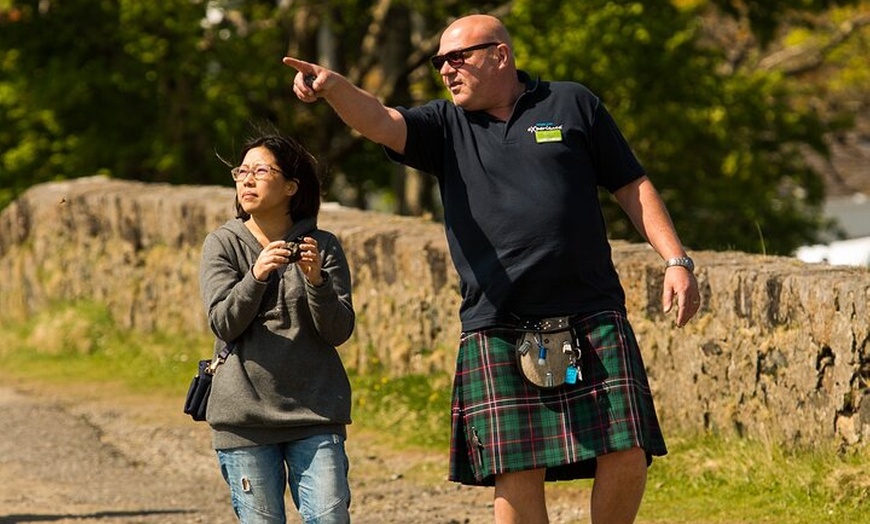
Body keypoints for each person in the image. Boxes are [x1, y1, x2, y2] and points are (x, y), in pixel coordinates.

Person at [284, 13, 700, 524]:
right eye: (439, 62)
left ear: (499, 55)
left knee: (626, 449)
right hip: (499, 322)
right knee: (517, 466)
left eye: (456, 58)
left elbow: (632, 185)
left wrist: (676, 260)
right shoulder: (444, 125)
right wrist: (333, 88)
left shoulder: (572, 103)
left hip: (591, 310)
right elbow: (380, 121)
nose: (445, 70)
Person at [199, 130, 355, 524]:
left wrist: (317, 281)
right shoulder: (222, 244)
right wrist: (256, 275)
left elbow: (338, 331)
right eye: (241, 171)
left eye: (260, 171)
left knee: (329, 519)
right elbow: (223, 322)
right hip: (244, 418)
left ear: (290, 186)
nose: (246, 180)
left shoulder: (323, 246)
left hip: (316, 412)